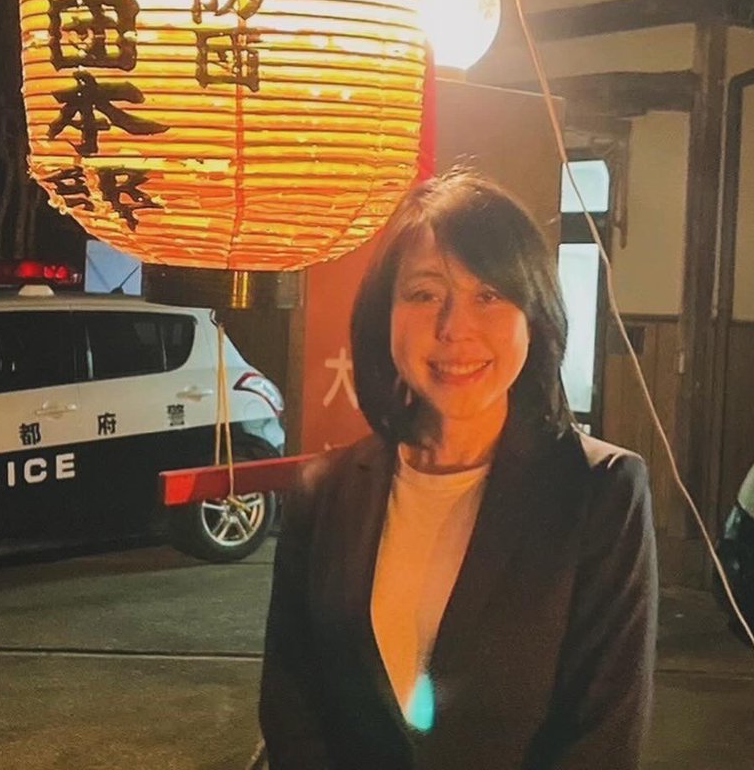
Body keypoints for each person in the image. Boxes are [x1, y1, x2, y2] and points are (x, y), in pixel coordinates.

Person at [260, 170, 657, 770]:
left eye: (489, 295)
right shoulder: (325, 491)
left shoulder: (602, 491)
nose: (454, 328)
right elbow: (292, 707)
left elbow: (602, 739)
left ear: (534, 316)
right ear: (384, 315)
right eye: (424, 294)